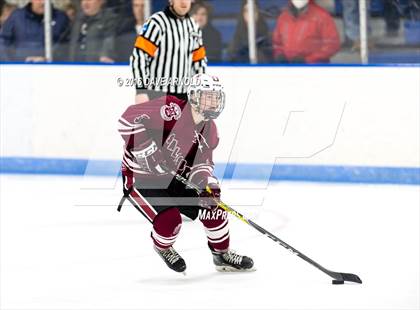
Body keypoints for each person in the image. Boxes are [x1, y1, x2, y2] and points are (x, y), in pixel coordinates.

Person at [117, 73, 254, 273]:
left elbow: (203, 164)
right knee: (170, 221)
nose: (213, 101)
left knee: (214, 207)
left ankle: (222, 255)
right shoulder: (170, 110)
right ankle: (163, 247)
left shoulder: (210, 130)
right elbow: (127, 120)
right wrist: (145, 148)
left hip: (174, 178)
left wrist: (209, 185)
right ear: (194, 96)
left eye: (216, 97)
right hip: (142, 178)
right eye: (208, 96)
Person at [131, 0, 207, 104]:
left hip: (184, 97)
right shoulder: (156, 22)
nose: (184, 2)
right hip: (156, 94)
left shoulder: (193, 26)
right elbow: (140, 56)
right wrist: (141, 91)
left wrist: (200, 90)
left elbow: (199, 62)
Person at [272, 0, 340, 64]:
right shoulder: (283, 17)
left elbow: (332, 45)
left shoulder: (322, 16)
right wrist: (279, 53)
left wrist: (309, 59)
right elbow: (277, 42)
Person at [0, 0, 69, 62]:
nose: (43, 2)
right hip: (21, 69)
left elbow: (68, 45)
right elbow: (3, 42)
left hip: (53, 70)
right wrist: (12, 63)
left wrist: (52, 59)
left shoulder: (61, 18)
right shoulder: (16, 17)